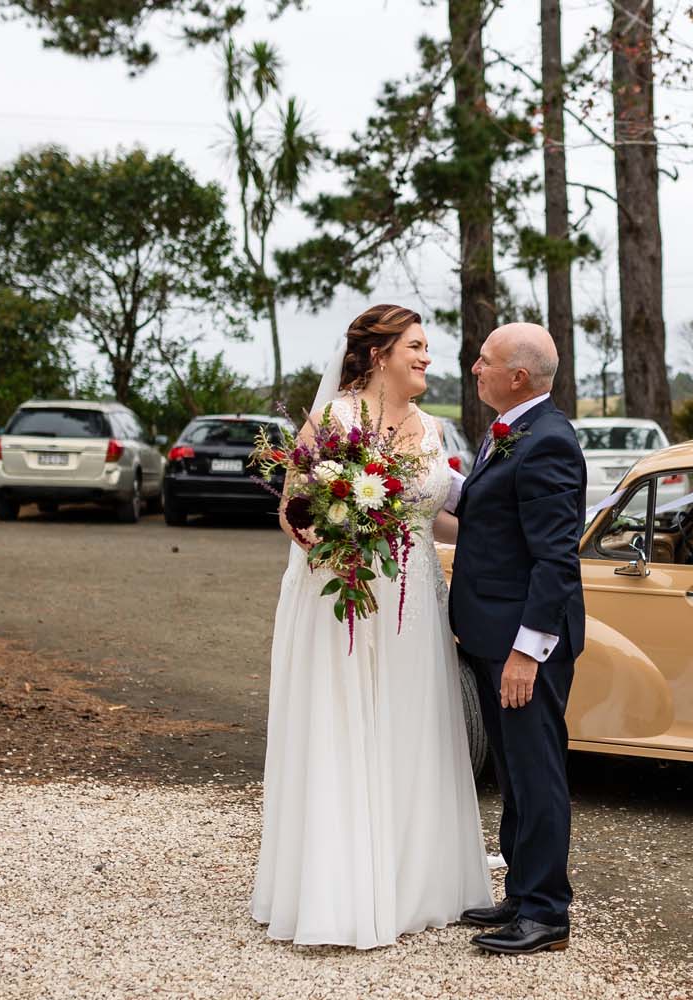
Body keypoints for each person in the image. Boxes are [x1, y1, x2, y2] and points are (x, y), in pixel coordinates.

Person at [251, 304, 493, 949]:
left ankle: (414, 883)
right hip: (348, 595)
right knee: (347, 724)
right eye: (415, 346)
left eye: (425, 347)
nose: (426, 358)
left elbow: (432, 516)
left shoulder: (432, 429)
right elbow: (293, 510)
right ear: (379, 352)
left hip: (416, 602)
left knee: (410, 726)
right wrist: (335, 543)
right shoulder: (335, 419)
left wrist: (495, 546)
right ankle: (340, 887)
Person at [445, 323, 585, 955]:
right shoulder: (507, 430)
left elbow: (556, 561)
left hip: (522, 647)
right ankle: (522, 891)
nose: (475, 368)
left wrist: (527, 652)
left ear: (519, 377)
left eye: (485, 361)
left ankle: (547, 913)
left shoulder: (549, 442)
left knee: (537, 772)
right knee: (512, 772)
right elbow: (488, 516)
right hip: (490, 635)